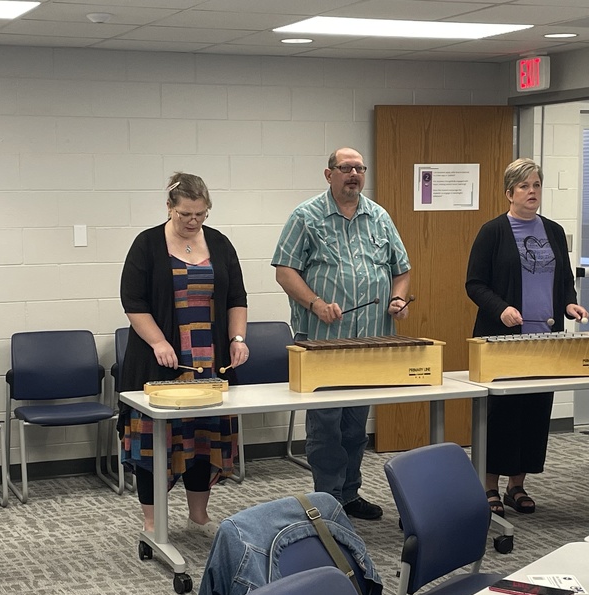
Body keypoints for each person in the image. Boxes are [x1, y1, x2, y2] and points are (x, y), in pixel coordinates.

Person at [272, 147, 411, 521]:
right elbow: (285, 271)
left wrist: (398, 299)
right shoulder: (306, 216)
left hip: (369, 341)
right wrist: (315, 302)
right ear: (328, 173)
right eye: (345, 168)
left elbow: (401, 270)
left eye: (359, 168)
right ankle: (327, 499)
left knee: (354, 426)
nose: (354, 174)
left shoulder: (379, 217)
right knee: (326, 425)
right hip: (322, 341)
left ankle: (349, 494)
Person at [119, 172, 249, 532]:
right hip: (159, 360)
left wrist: (237, 339)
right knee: (154, 441)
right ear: (169, 208)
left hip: (209, 360)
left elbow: (237, 298)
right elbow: (133, 301)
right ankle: (152, 521)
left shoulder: (220, 245)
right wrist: (159, 341)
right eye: (185, 215)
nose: (193, 222)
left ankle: (198, 514)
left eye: (201, 214)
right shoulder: (146, 245)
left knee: (203, 439)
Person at [465, 158, 588, 516]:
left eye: (536, 185)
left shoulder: (552, 231)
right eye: (524, 186)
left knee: (535, 412)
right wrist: (501, 308)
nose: (532, 192)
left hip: (544, 339)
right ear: (509, 193)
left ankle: (517, 485)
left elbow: (564, 280)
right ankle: (489, 486)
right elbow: (474, 284)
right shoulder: (493, 231)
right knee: (501, 414)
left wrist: (570, 305)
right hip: (503, 340)